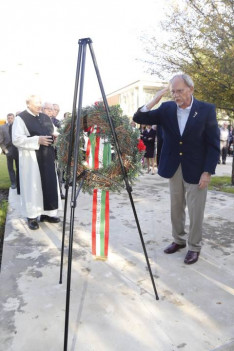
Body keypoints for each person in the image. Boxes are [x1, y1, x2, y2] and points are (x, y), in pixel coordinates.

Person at [133, 74, 220, 264]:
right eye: (173, 91)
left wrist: (207, 171)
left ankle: (194, 246)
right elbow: (138, 117)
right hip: (174, 166)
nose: (176, 95)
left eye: (180, 91)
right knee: (176, 207)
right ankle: (178, 240)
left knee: (196, 210)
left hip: (197, 168)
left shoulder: (206, 110)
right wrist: (155, 99)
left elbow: (213, 145)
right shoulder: (166, 108)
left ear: (191, 89)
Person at [12, 95, 62, 230]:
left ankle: (48, 214)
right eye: (36, 103)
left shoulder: (45, 117)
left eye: (40, 103)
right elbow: (16, 139)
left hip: (47, 157)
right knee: (33, 187)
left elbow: (53, 131)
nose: (39, 106)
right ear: (28, 103)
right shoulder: (20, 118)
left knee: (49, 183)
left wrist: (55, 136)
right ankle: (32, 217)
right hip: (32, 160)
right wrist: (37, 140)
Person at [0, 113, 19, 191]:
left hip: (17, 149)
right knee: (10, 168)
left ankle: (19, 182)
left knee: (19, 167)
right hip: (9, 150)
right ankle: (13, 183)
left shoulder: (17, 127)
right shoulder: (2, 127)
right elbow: (1, 141)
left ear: (14, 118)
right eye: (9, 118)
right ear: (7, 119)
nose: (10, 119)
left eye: (11, 118)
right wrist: (5, 151)